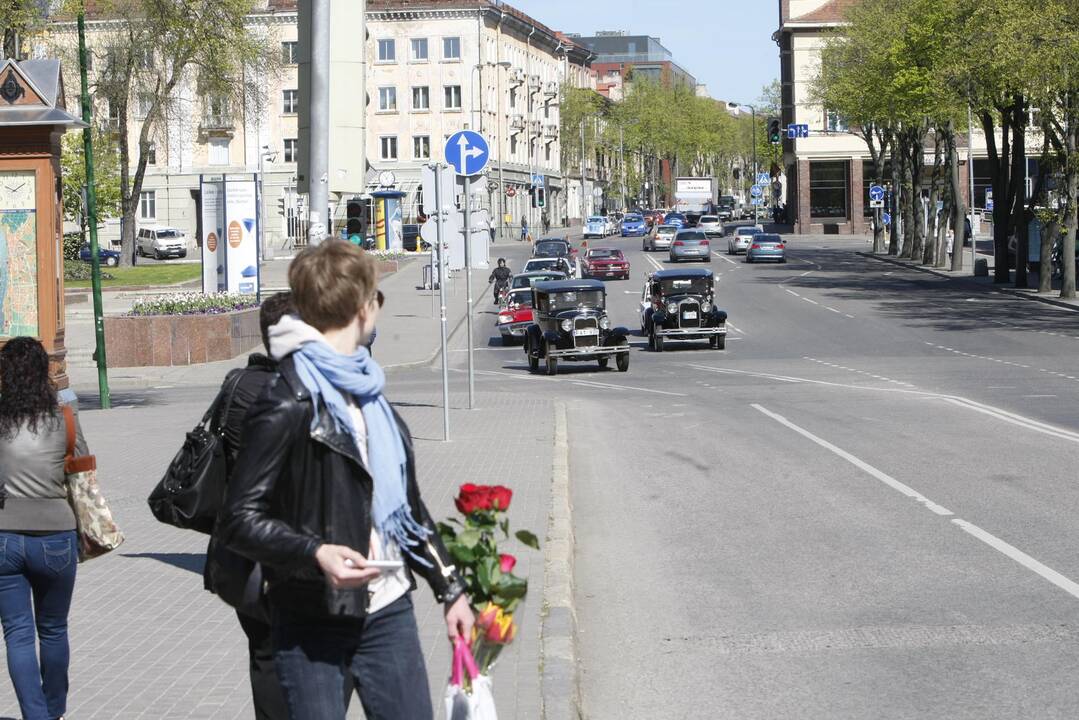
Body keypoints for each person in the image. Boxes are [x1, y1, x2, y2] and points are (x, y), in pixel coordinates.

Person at [219, 240, 472, 720]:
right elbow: (238, 519)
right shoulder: (287, 399)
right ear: (362, 308)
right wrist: (315, 553)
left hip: (389, 610)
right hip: (313, 614)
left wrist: (450, 588)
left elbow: (407, 510)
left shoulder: (370, 392)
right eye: (376, 296)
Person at [203, 291, 297, 720]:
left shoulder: (236, 383)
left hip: (240, 544)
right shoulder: (299, 388)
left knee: (262, 652)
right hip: (293, 540)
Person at [0, 337, 86, 720]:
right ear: (43, 373)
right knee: (53, 630)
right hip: (56, 537)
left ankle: (35, 716)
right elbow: (82, 465)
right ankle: (54, 712)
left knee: (17, 634)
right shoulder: (64, 415)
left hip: (4, 536)